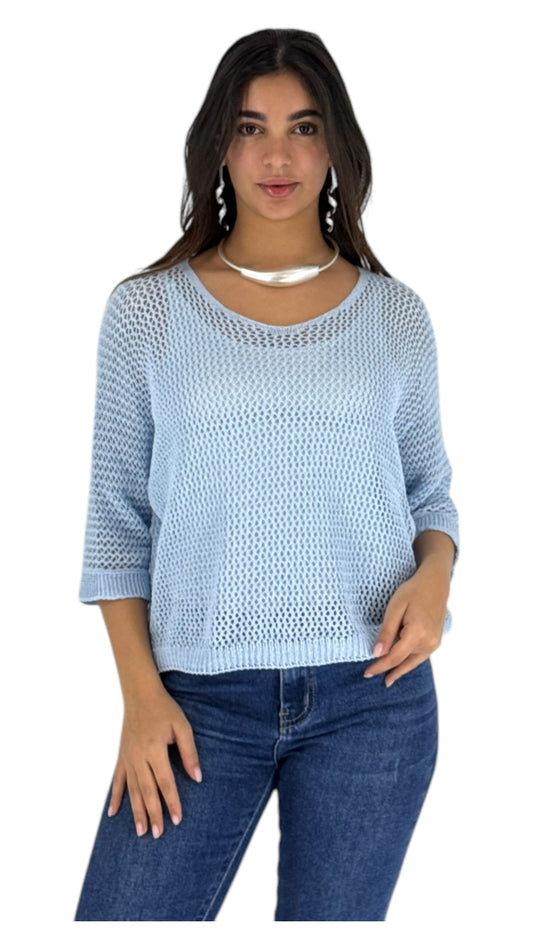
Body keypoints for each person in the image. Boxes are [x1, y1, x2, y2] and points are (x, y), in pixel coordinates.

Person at [73, 28, 459, 922]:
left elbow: (428, 492)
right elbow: (116, 524)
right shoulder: (146, 314)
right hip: (195, 703)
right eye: (249, 128)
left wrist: (435, 574)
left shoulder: (395, 316)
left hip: (374, 698)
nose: (276, 156)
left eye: (303, 127)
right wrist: (140, 699)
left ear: (335, 147)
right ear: (218, 144)